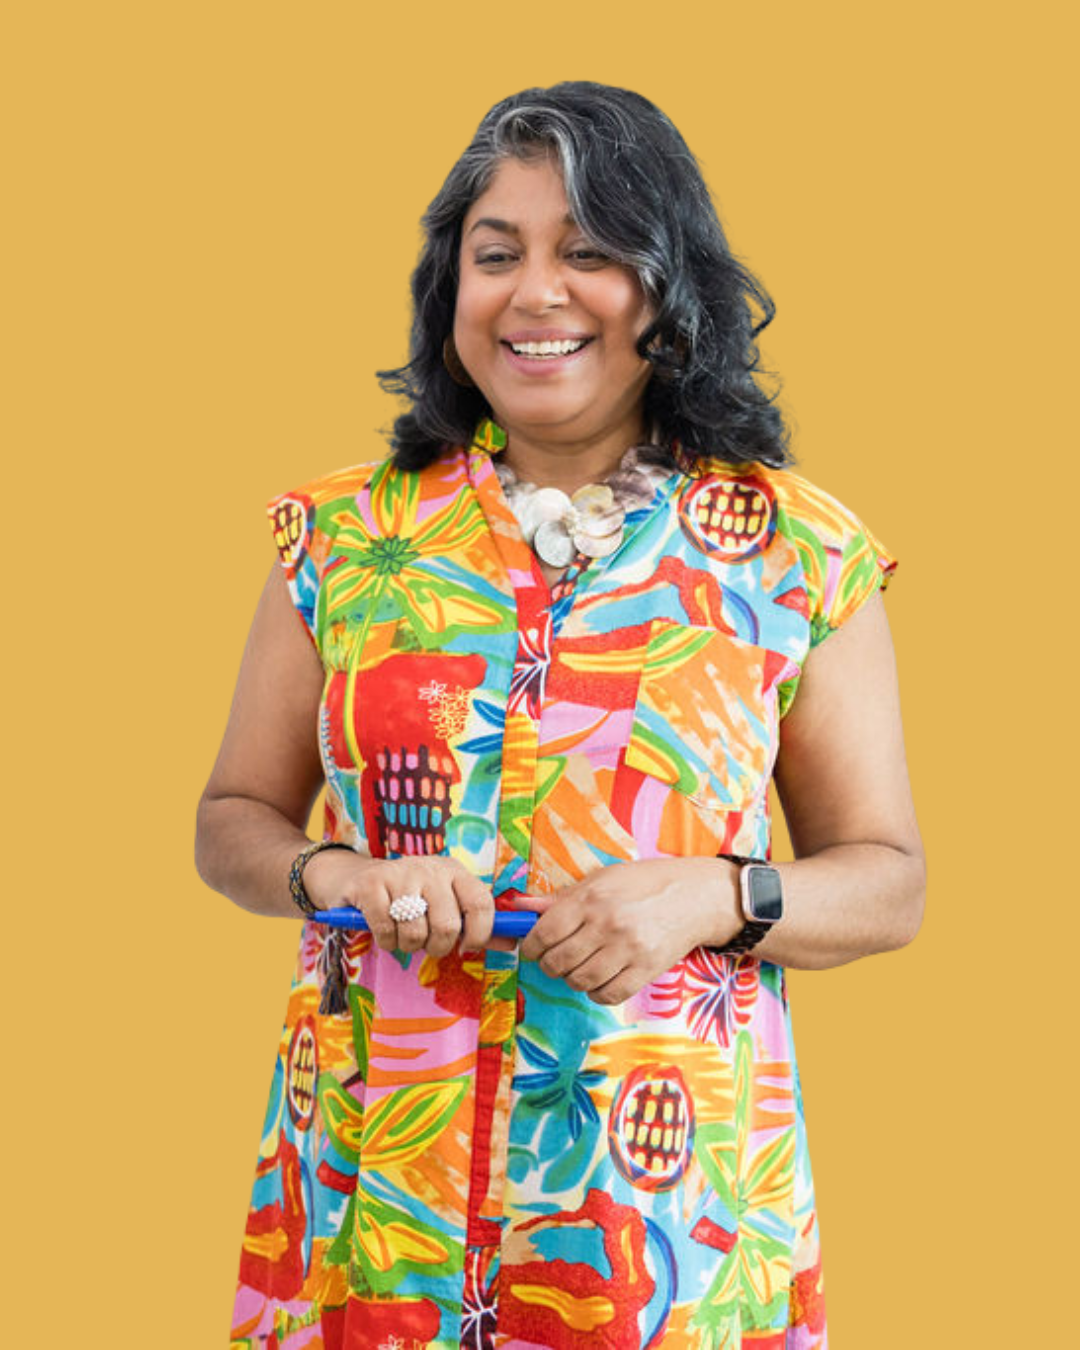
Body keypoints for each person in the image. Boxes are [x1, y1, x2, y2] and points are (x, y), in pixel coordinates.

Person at [196, 81, 925, 1350]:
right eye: (498, 254)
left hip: (664, 1226)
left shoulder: (796, 554)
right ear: (451, 290)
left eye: (591, 251)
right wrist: (343, 876)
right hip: (375, 1198)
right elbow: (232, 821)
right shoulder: (342, 536)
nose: (538, 292)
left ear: (666, 287)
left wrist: (717, 894)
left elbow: (890, 882)